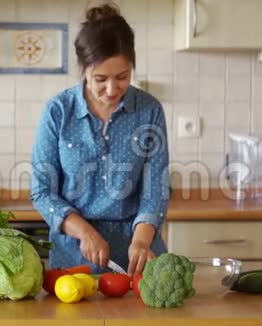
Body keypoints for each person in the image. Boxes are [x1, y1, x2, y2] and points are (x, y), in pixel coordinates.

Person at [30, 3, 170, 277]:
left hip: (137, 256)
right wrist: (85, 232)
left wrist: (141, 241)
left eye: (122, 77)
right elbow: (42, 190)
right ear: (83, 70)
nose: (111, 89)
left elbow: (156, 189)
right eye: (100, 79)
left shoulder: (149, 110)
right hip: (75, 256)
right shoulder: (58, 111)